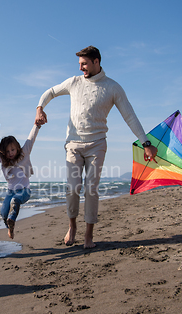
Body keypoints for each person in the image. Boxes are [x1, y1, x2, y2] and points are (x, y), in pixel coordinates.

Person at [35, 45, 157, 249]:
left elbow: (130, 116)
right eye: (80, 64)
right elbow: (50, 92)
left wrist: (146, 143)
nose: (81, 68)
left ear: (96, 62)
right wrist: (39, 109)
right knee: (73, 187)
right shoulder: (74, 82)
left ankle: (88, 236)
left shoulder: (112, 87)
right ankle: (72, 226)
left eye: (84, 64)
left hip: (97, 145)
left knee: (91, 189)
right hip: (73, 144)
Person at [0, 122, 41, 239]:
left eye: (13, 150)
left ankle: (12, 219)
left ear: (17, 147)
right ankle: (10, 227)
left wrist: (37, 125)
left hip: (25, 191)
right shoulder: (4, 161)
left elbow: (31, 139)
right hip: (10, 192)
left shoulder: (24, 154)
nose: (10, 153)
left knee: (15, 200)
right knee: (3, 212)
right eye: (8, 151)